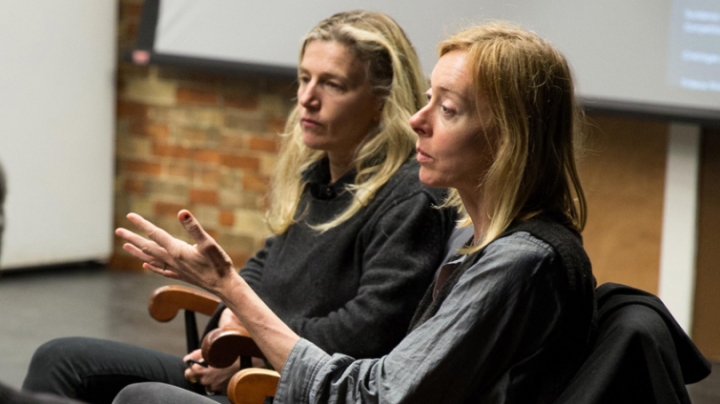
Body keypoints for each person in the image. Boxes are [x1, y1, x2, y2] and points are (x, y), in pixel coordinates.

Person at [113, 21, 597, 404]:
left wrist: (233, 298)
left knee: (143, 398)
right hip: (280, 374)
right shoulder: (488, 244)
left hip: (288, 382)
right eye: (427, 98)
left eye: (447, 109)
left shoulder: (518, 264)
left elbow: (376, 391)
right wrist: (231, 315)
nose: (417, 120)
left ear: (510, 139)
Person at [22, 11, 455, 404]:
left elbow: (366, 330)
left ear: (382, 100)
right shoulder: (320, 176)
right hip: (248, 366)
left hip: (288, 389)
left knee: (143, 397)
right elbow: (261, 271)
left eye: (333, 84)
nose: (307, 98)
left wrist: (251, 348)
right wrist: (228, 327)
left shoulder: (409, 197)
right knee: (61, 359)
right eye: (304, 79)